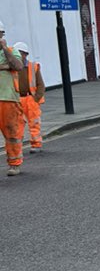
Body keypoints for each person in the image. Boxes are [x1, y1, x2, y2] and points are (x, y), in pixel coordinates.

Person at [0, 21, 26, 177]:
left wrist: (4, 49)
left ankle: (14, 163)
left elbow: (18, 66)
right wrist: (4, 67)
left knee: (11, 132)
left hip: (8, 99)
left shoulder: (11, 51)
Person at [13, 42, 45, 153]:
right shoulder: (12, 67)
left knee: (34, 122)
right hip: (16, 99)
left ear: (25, 54)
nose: (16, 56)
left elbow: (40, 84)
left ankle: (36, 144)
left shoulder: (33, 67)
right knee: (17, 125)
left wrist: (36, 98)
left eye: (19, 53)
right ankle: (17, 147)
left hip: (30, 99)